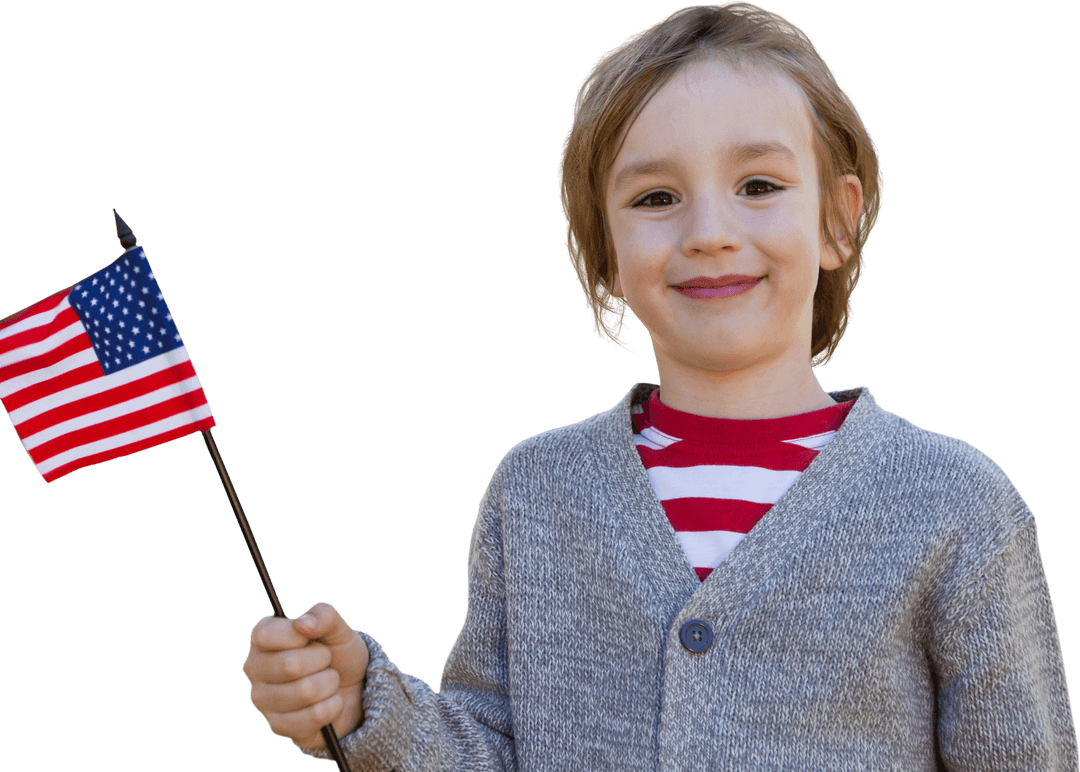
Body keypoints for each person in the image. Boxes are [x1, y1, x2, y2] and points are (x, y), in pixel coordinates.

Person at [241, 2, 1080, 769]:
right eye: (656, 197)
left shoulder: (956, 505)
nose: (709, 233)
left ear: (837, 218)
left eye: (758, 186)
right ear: (606, 252)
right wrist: (363, 706)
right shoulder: (535, 493)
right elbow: (489, 748)